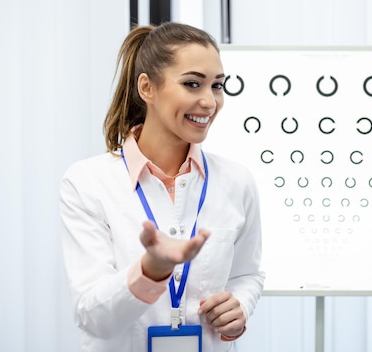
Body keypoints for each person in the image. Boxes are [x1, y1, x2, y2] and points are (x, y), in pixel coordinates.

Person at [59, 21, 265, 351]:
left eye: (217, 86)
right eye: (193, 84)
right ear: (147, 88)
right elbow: (91, 315)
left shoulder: (237, 181)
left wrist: (239, 305)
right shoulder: (87, 183)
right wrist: (150, 271)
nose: (210, 102)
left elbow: (247, 275)